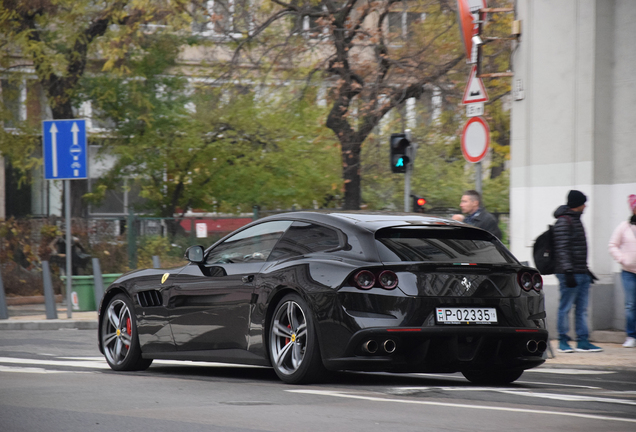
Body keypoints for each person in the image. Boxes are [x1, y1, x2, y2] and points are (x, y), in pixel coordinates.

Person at [553, 190, 602, 353]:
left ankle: (583, 341)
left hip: (581, 272)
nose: (585, 206)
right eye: (583, 203)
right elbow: (562, 248)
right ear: (577, 204)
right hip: (569, 273)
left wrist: (586, 271)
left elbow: (577, 249)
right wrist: (568, 272)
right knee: (565, 307)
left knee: (582, 309)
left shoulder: (575, 220)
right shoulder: (563, 221)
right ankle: (563, 341)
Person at [608, 194, 636, 348]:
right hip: (628, 272)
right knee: (631, 305)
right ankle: (631, 335)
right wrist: (623, 259)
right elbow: (612, 245)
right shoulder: (624, 226)